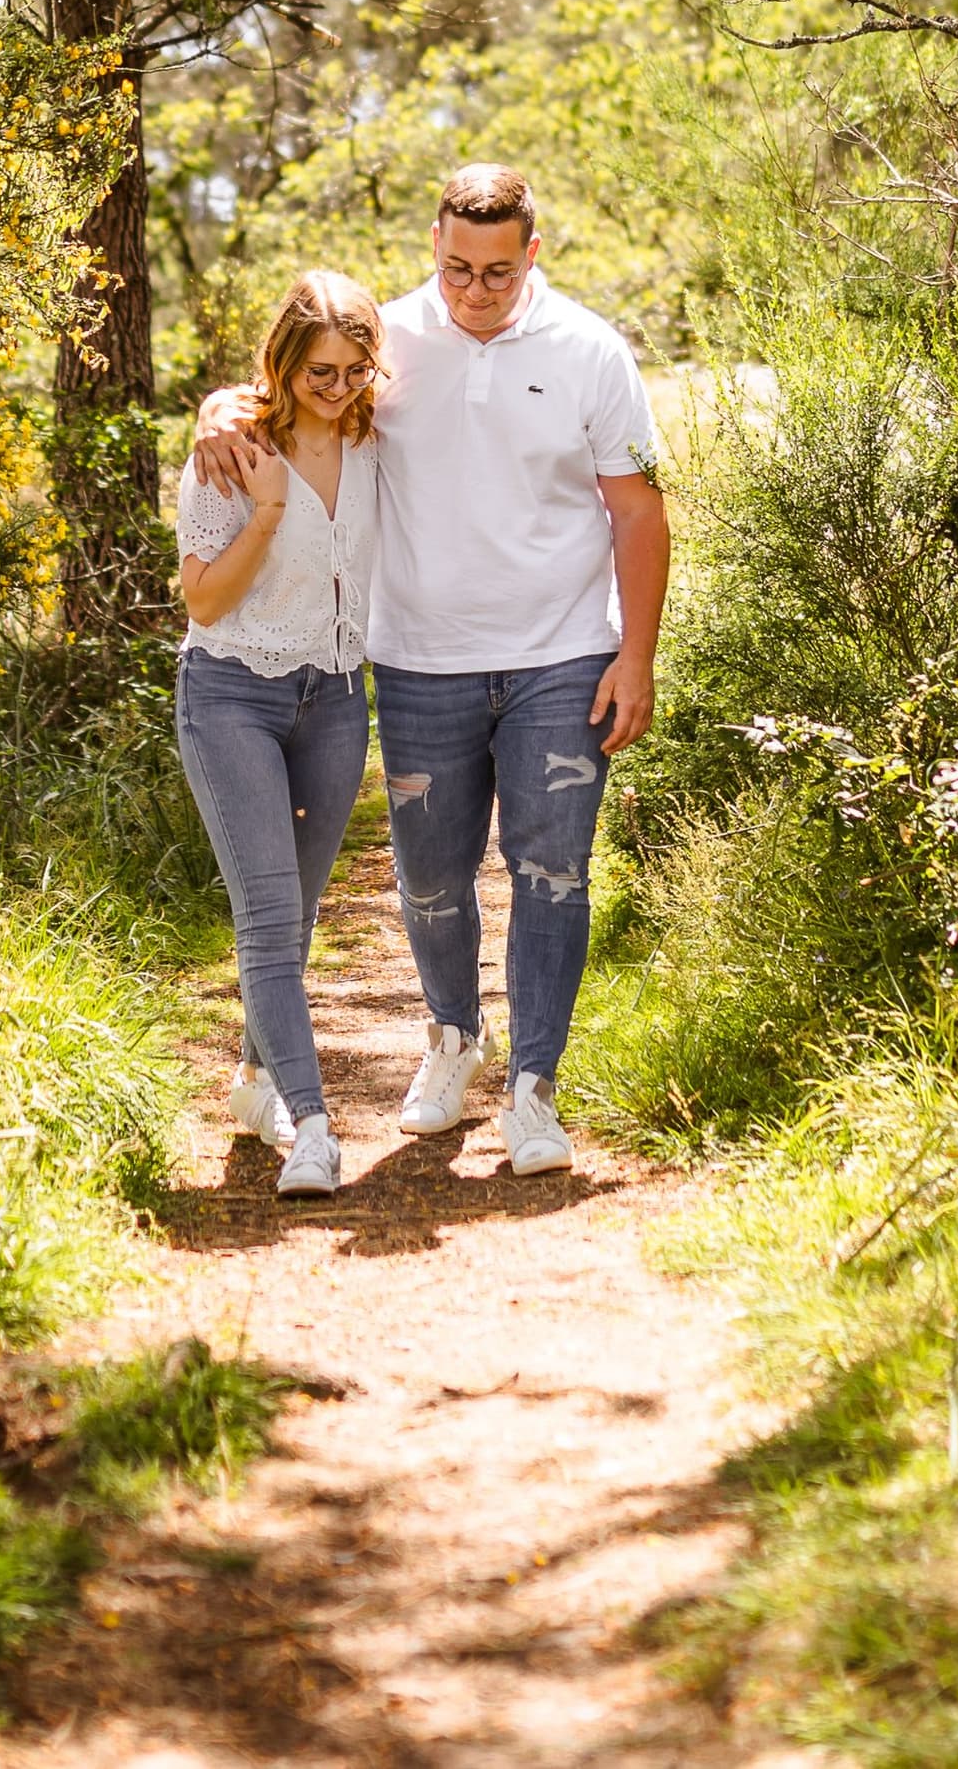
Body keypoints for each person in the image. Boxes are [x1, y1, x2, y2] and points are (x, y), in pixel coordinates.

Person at [197, 165, 666, 1179]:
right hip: (417, 663)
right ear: (434, 247)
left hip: (562, 656)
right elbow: (291, 388)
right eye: (457, 267)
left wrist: (637, 655)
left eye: (498, 271)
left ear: (533, 254)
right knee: (432, 881)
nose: (476, 289)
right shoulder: (391, 345)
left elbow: (638, 510)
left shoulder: (590, 350)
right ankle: (454, 1041)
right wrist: (216, 414)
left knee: (551, 873)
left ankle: (534, 1092)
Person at [175, 271, 387, 1198]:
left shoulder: (384, 444)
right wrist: (266, 510)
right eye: (317, 372)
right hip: (231, 697)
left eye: (352, 370)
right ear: (285, 361)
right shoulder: (234, 453)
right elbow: (206, 602)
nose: (335, 389)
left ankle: (256, 1081)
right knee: (267, 918)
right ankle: (314, 1126)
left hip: (337, 698)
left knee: (296, 918)